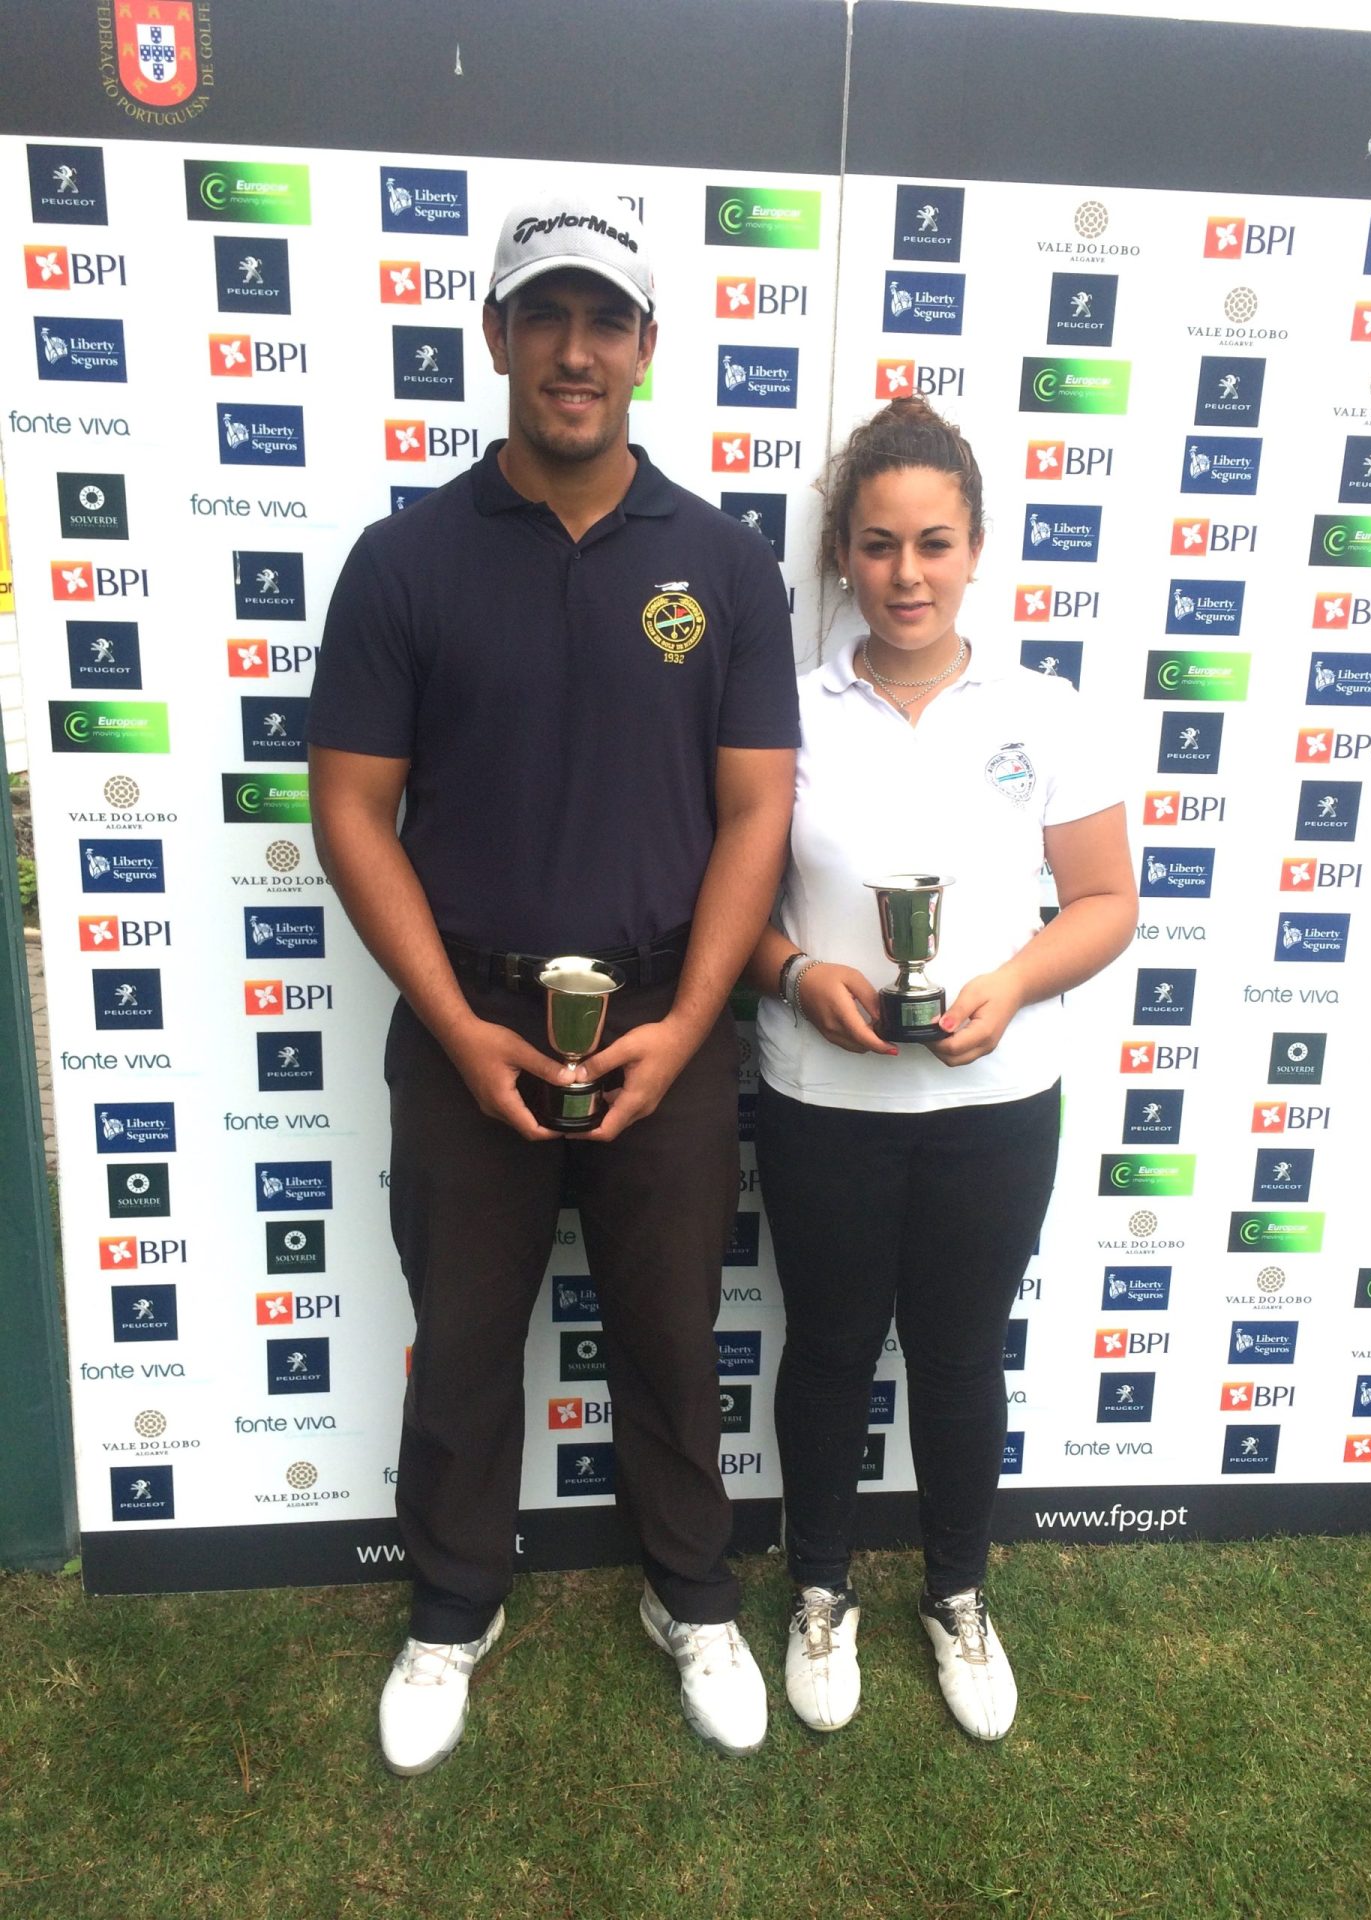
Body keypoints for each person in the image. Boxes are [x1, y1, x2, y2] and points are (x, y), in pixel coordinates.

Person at [305, 192, 799, 1772]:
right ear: (498, 338)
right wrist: (455, 1027)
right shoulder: (406, 559)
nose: (574, 352)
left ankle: (693, 1597)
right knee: (460, 1340)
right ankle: (454, 1609)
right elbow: (347, 808)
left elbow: (755, 813)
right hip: (469, 1018)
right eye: (545, 318)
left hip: (670, 1019)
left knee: (668, 1331)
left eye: (605, 321)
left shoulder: (722, 563)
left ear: (648, 347)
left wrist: (695, 1021)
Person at [746, 397, 1137, 1739]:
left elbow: (1103, 900)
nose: (905, 573)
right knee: (834, 1350)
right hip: (823, 1103)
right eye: (876, 545)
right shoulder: (786, 714)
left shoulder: (1044, 710)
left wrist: (1015, 985)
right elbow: (732, 914)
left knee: (964, 1354)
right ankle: (818, 1592)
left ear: (975, 549)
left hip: (995, 1104)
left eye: (933, 542)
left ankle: (959, 1595)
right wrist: (802, 975)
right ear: (842, 558)